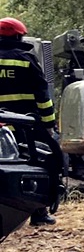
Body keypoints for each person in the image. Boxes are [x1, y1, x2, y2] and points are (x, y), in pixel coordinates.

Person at [0, 17, 58, 225]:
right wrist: (49, 124)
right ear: (18, 36)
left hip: (1, 126)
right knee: (39, 163)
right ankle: (38, 213)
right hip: (26, 125)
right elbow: (42, 94)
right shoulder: (26, 59)